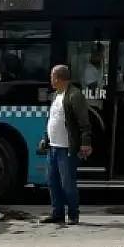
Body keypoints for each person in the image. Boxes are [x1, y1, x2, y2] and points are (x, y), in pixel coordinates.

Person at [37, 65, 93, 225]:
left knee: (67, 182)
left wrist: (85, 143)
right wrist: (45, 138)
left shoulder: (74, 96)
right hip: (53, 147)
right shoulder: (56, 95)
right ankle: (57, 214)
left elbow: (84, 122)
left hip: (66, 148)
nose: (50, 80)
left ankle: (73, 215)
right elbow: (51, 120)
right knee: (52, 180)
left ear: (58, 78)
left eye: (52, 77)